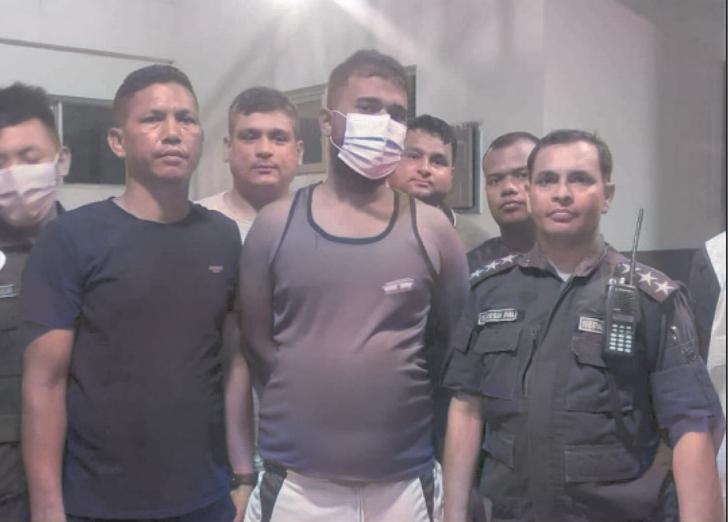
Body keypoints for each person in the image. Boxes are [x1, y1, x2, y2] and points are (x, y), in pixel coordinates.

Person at [442, 129, 724, 522]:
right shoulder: (489, 292)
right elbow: (466, 408)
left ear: (607, 195)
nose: (562, 193)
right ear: (530, 194)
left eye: (579, 179)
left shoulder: (653, 299)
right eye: (547, 180)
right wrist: (452, 515)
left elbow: (691, 426)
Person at [239, 49, 468, 522]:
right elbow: (258, 346)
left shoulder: (433, 231)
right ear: (327, 121)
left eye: (396, 114)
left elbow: (450, 350)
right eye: (367, 108)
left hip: (403, 482)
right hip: (298, 484)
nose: (384, 123)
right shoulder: (274, 225)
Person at [20, 65, 240, 521]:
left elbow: (230, 362)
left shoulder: (222, 236)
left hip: (205, 496)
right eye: (153, 118)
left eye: (186, 118)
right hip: (99, 503)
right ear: (117, 141)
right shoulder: (71, 238)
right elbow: (44, 383)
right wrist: (47, 508)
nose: (173, 132)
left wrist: (242, 475)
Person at [197, 86, 303, 517]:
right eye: (249, 136)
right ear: (227, 148)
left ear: (298, 151)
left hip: (306, 440)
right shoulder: (195, 226)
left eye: (278, 138)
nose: (264, 149)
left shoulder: (325, 223)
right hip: (209, 446)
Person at [0, 82, 70, 522]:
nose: (14, 175)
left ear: (61, 160)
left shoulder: (96, 249)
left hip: (88, 475)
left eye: (29, 158)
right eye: (0, 162)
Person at [389, 114, 487, 251]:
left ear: (451, 174)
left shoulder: (478, 244)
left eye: (438, 161)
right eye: (414, 156)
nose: (425, 169)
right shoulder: (362, 229)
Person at [467, 132, 537, 274]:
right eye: (495, 180)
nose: (507, 188)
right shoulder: (468, 269)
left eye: (522, 175)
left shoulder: (580, 259)